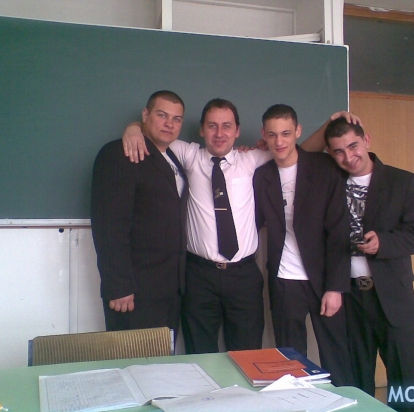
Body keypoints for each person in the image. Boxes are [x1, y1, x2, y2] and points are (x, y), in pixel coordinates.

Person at [121, 101, 359, 354]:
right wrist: (134, 128)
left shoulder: (251, 159)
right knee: (200, 352)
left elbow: (297, 151)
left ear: (237, 131)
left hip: (244, 276)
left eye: (227, 126)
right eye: (212, 126)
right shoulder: (188, 155)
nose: (219, 133)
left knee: (247, 353)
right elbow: (158, 133)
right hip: (199, 276)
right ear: (201, 129)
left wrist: (330, 124)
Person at [323, 117, 414, 411]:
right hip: (350, 299)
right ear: (330, 154)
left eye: (353, 146)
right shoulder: (330, 182)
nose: (348, 156)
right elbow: (300, 152)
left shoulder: (403, 181)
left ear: (366, 140)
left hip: (393, 297)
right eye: (338, 151)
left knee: (404, 382)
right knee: (357, 382)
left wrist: (383, 243)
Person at [253, 104, 354, 386]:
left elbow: (339, 231)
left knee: (336, 355)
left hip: (324, 280)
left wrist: (335, 287)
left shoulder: (324, 168)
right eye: (272, 135)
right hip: (284, 280)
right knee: (291, 362)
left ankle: (347, 401)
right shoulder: (262, 175)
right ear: (264, 135)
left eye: (286, 133)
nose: (279, 141)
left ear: (298, 131)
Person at [91, 90, 188, 333]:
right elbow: (109, 226)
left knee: (163, 356)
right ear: (145, 115)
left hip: (170, 289)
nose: (169, 123)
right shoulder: (119, 153)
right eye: (162, 115)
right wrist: (118, 286)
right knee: (132, 357)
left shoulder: (173, 158)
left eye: (176, 119)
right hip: (134, 292)